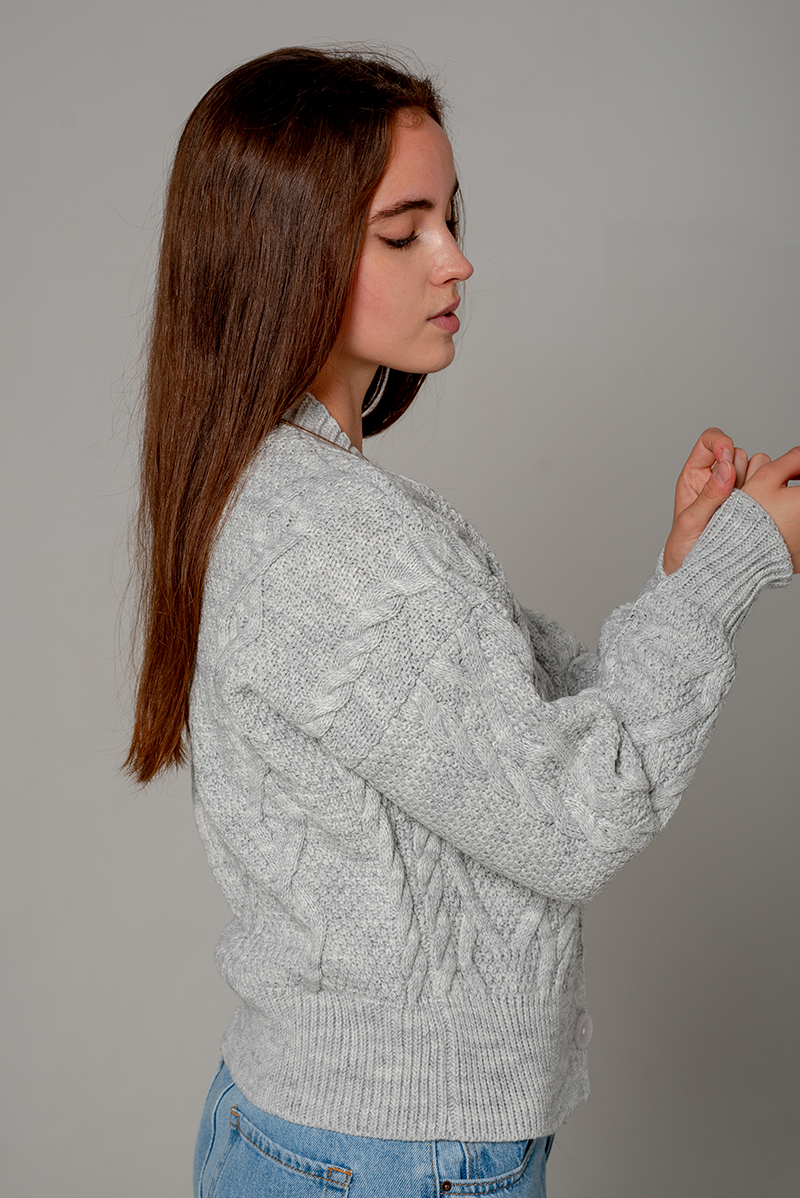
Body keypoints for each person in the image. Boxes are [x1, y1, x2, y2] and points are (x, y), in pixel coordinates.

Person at [125, 46, 800, 1198]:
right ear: (286, 253)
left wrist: (681, 569)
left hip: (335, 1137)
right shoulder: (341, 545)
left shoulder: (287, 498)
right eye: (404, 233)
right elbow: (574, 811)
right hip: (386, 1157)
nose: (455, 258)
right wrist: (737, 566)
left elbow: (515, 732)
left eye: (450, 218)